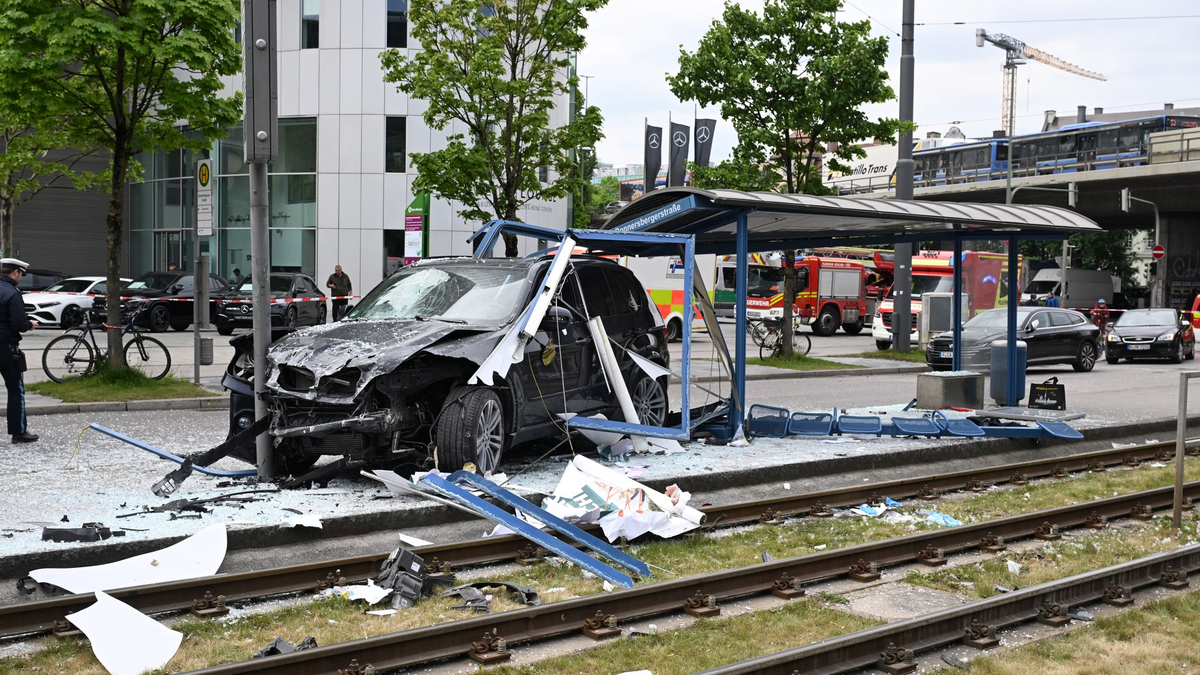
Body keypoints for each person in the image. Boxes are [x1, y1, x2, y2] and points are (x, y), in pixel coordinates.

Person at [0, 258, 38, 443]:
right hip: (6, 347)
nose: (21, 277)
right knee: (15, 390)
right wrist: (30, 324)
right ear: (15, 272)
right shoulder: (13, 293)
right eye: (21, 274)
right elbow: (18, 323)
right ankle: (18, 432)